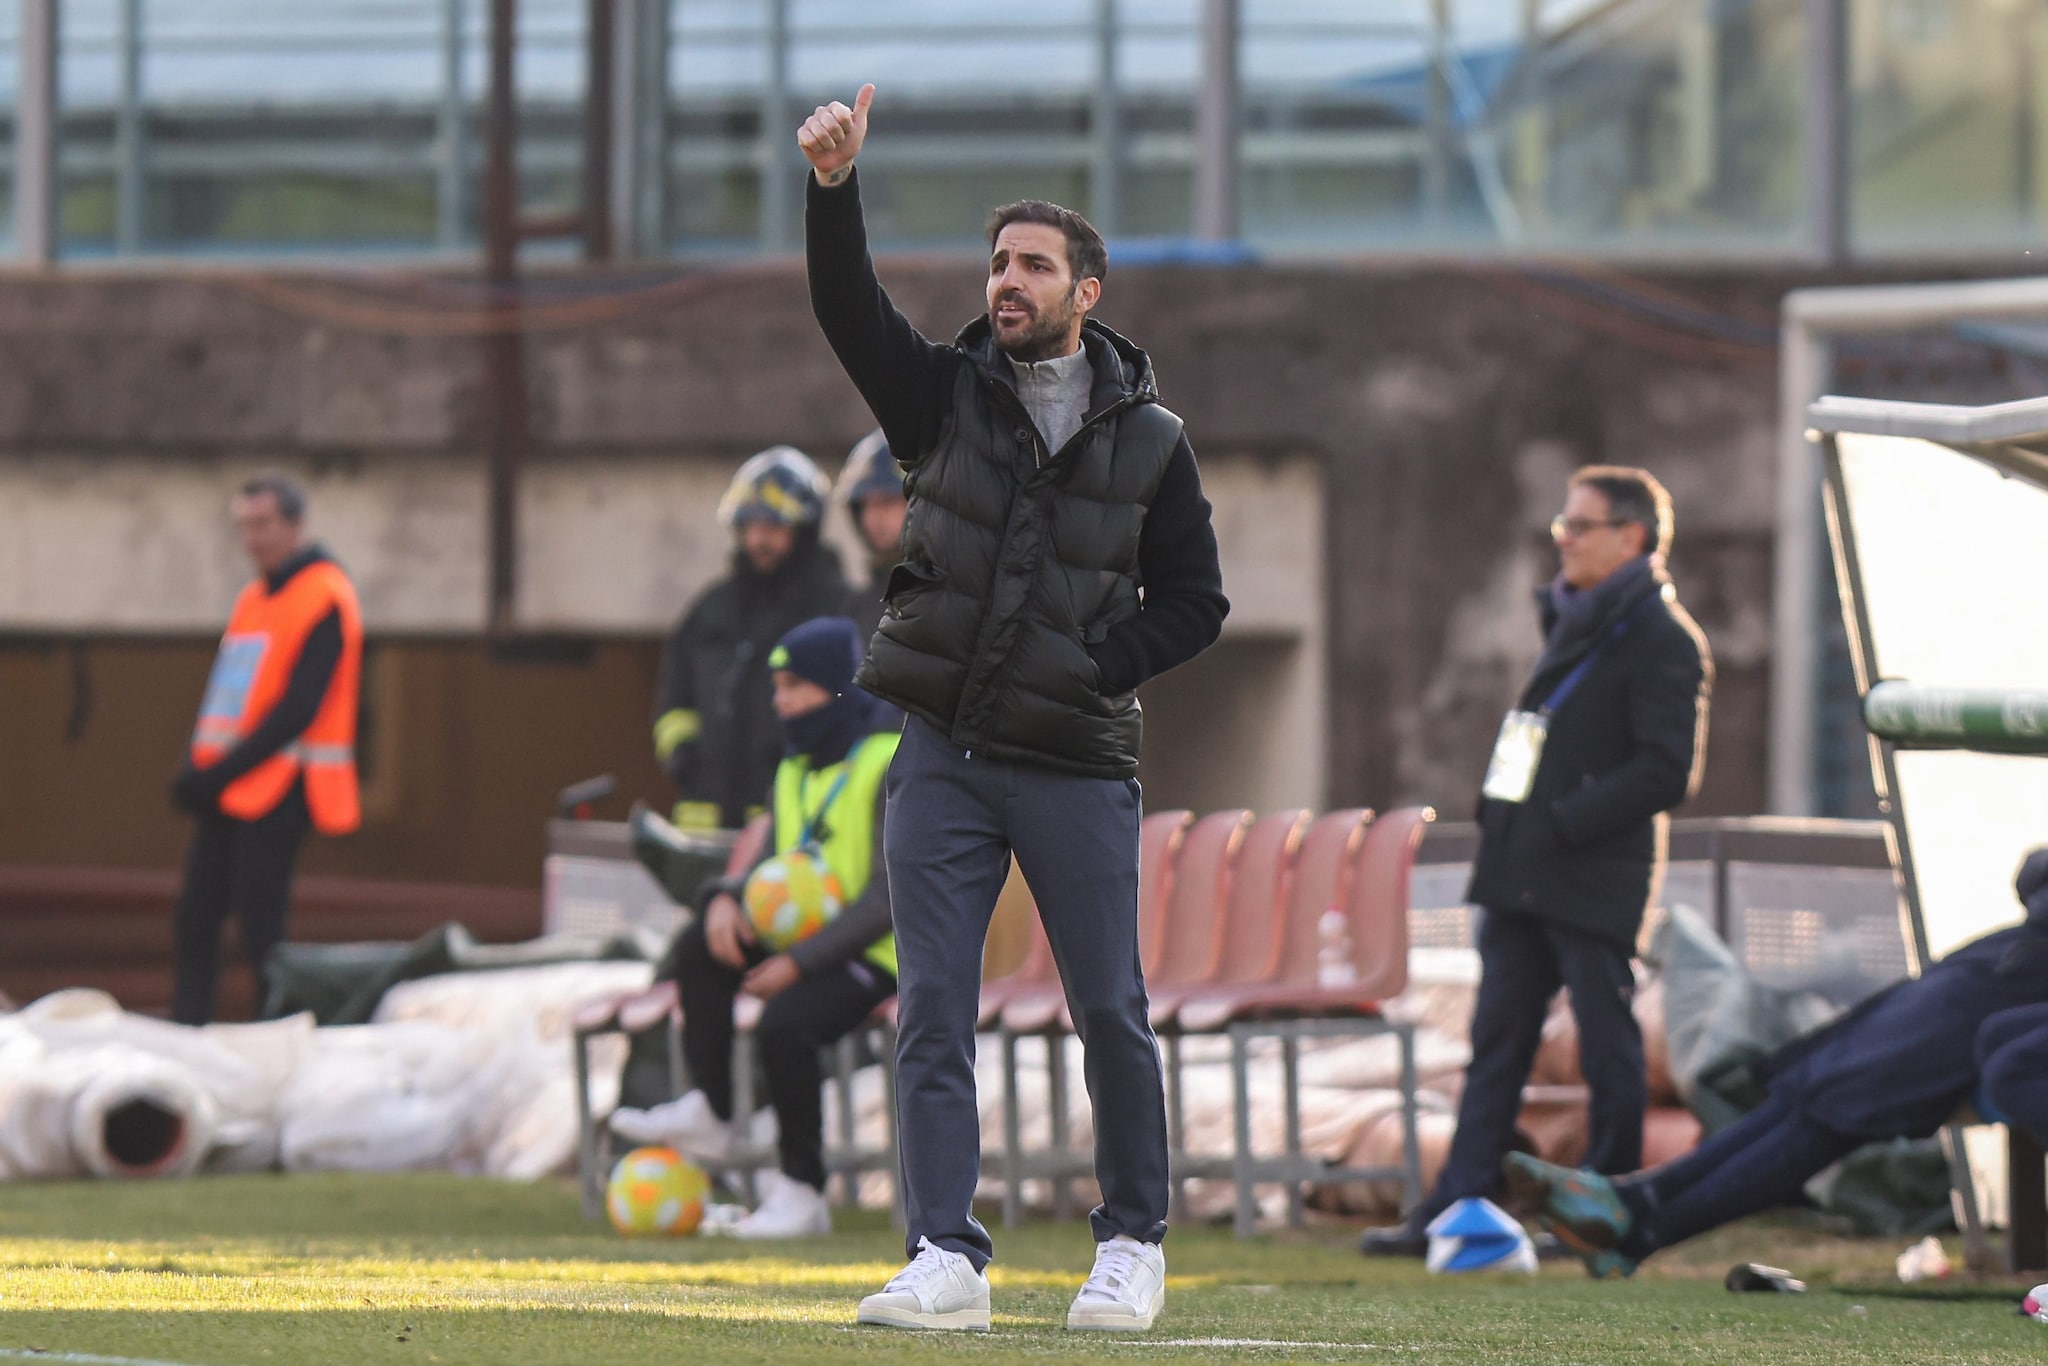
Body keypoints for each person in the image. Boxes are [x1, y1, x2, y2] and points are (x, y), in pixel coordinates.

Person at [801, 85, 1229, 1335]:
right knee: (931, 1006)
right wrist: (836, 190)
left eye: (1034, 264)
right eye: (997, 261)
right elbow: (844, 310)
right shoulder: (937, 398)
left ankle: (1132, 1244)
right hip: (940, 754)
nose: (1008, 279)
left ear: (1084, 290)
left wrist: (1099, 665)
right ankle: (946, 1256)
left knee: (1109, 1007)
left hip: (1076, 765)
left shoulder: (1153, 441)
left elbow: (1196, 602)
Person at [1364, 465, 1712, 1257]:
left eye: (1578, 527)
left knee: (1605, 1039)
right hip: (1523, 866)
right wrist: (1508, 816)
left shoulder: (1664, 638)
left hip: (1590, 873)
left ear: (1632, 537)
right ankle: (1454, 1208)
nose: (1561, 541)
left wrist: (1561, 820)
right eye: (1561, 526)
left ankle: (1607, 1207)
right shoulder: (1573, 623)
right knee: (1498, 1041)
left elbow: (1667, 769)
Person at [1511, 845, 2048, 1276]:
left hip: (2001, 1002)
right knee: (1809, 1089)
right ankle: (1633, 1202)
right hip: (1993, 980)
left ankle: (1638, 1224)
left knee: (1833, 1106)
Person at [612, 616, 899, 1240]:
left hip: (878, 954)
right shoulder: (794, 767)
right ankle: (714, 1112)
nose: (781, 702)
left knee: (787, 1023)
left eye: (795, 686)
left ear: (834, 686)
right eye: (778, 687)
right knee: (699, 949)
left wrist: (798, 965)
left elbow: (887, 899)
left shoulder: (886, 763)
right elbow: (771, 863)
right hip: (806, 944)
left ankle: (803, 1192)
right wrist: (721, 898)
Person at [170, 471, 363, 1025]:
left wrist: (222, 772)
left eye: (263, 524)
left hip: (283, 786)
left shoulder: (325, 594)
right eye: (244, 526)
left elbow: (300, 707)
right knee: (195, 919)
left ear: (295, 525)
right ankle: (189, 1035)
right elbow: (231, 696)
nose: (253, 538)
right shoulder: (254, 599)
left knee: (262, 931)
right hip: (232, 786)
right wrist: (197, 769)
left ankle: (274, 1035)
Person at [654, 447, 849, 831]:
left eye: (774, 527)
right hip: (702, 820)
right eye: (750, 526)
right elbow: (672, 695)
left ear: (804, 530)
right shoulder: (711, 609)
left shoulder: (834, 609)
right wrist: (683, 753)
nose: (759, 539)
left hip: (787, 826)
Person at [836, 429, 909, 643]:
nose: (872, 517)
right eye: (865, 505)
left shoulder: (949, 595)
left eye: (887, 502)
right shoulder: (855, 607)